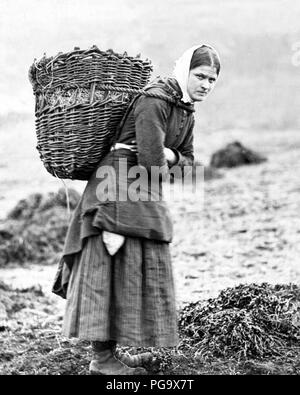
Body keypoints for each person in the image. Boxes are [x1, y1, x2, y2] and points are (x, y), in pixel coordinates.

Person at [52, 44, 221, 375]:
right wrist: (171, 157)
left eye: (212, 80)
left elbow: (185, 162)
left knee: (134, 264)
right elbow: (151, 162)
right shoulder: (155, 100)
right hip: (115, 186)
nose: (205, 84)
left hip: (142, 189)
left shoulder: (184, 109)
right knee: (107, 266)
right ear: (184, 71)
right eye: (199, 76)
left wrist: (171, 155)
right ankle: (101, 360)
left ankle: (111, 354)